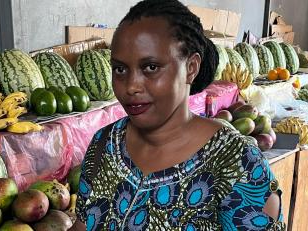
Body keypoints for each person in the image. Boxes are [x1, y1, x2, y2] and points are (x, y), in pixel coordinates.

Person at [70, 0, 285, 230]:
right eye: (120, 69)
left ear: (191, 67)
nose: (131, 86)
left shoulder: (237, 164)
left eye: (151, 67)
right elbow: (83, 224)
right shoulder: (104, 145)